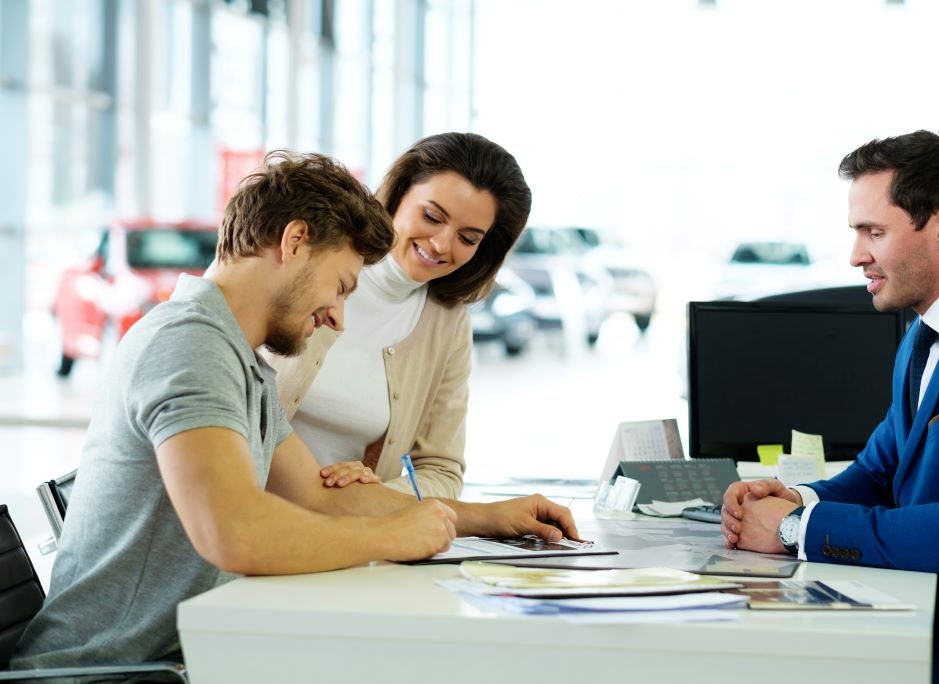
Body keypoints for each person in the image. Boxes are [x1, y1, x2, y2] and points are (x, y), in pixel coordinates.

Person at [12, 151, 578, 670]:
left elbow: (312, 494)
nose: (337, 317)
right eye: (339, 286)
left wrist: (480, 517)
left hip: (185, 656)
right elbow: (236, 535)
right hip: (110, 673)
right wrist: (396, 536)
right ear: (295, 241)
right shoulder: (189, 345)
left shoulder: (243, 363)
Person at [720, 131, 939, 681]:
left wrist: (796, 527)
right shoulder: (926, 329)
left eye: (874, 232)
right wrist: (793, 495)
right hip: (931, 614)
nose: (855, 255)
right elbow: (881, 471)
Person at [266, 132, 531, 499]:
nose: (441, 244)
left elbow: (441, 470)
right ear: (398, 194)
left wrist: (372, 494)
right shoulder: (305, 254)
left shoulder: (447, 325)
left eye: (468, 239)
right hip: (247, 519)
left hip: (341, 538)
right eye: (432, 216)